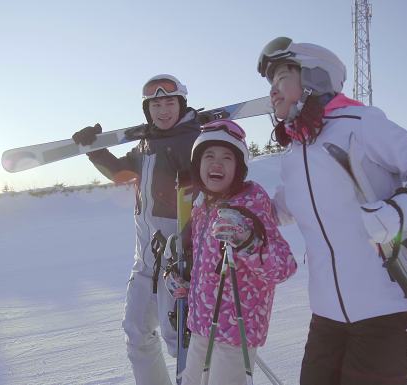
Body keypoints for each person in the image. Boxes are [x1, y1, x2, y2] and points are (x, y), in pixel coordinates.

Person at [256, 36, 407, 385]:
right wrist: (243, 210)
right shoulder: (295, 153)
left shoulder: (361, 123)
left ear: (314, 76)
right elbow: (284, 209)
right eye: (270, 83)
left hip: (384, 310)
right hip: (326, 316)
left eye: (282, 77)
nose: (273, 90)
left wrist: (399, 211)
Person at [71, 74, 201, 385]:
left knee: (182, 343)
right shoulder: (146, 144)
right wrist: (94, 149)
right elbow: (120, 174)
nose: (163, 110)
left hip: (179, 260)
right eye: (156, 104)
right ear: (147, 110)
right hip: (144, 259)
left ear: (181, 104)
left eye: (170, 102)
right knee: (137, 334)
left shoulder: (195, 140)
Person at [179, 119, 297, 385]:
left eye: (227, 157)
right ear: (198, 165)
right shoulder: (204, 206)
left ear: (239, 168)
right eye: (208, 156)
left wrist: (248, 241)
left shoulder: (250, 203)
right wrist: (188, 286)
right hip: (202, 326)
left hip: (235, 332)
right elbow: (209, 267)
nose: (216, 163)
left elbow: (284, 266)